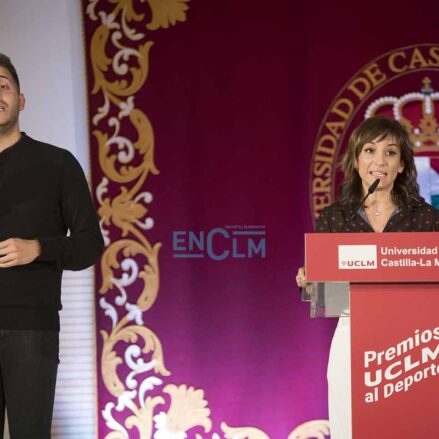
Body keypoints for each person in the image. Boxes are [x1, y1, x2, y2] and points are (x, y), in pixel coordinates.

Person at [296, 116, 439, 439]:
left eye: (390, 153)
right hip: (352, 335)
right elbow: (325, 296)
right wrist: (310, 284)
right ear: (356, 161)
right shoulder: (335, 218)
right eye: (370, 151)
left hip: (413, 343)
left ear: (401, 165)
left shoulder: (427, 219)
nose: (379, 161)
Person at [0, 53, 103, 438]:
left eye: (4, 85)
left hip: (31, 329)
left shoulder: (56, 164)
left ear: (21, 100)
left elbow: (91, 244)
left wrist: (38, 249)